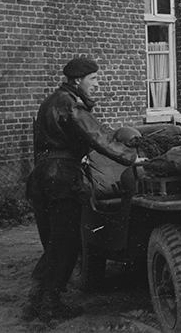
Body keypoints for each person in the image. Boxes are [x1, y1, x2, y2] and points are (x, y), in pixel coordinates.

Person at [24, 57, 145, 322]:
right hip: (62, 179)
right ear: (78, 80)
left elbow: (94, 131)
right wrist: (131, 157)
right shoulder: (70, 104)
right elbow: (96, 136)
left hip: (43, 177)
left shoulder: (51, 101)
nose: (97, 85)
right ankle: (50, 307)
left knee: (53, 243)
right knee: (67, 244)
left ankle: (36, 300)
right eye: (94, 79)